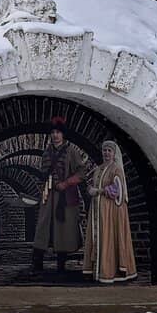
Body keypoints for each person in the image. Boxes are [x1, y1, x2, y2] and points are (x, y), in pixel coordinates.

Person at [32, 116, 84, 272]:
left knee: (63, 230)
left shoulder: (72, 152)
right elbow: (43, 172)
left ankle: (61, 265)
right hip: (49, 196)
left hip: (65, 197)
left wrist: (66, 183)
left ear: (63, 134)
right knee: (43, 227)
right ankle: (37, 263)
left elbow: (81, 173)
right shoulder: (46, 152)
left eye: (58, 132)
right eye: (53, 132)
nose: (55, 135)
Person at [83, 140, 138, 283]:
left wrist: (99, 191)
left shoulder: (116, 169)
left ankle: (109, 270)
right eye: (104, 150)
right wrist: (90, 190)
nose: (106, 153)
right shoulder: (99, 168)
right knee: (98, 237)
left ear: (114, 153)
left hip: (110, 210)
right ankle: (96, 269)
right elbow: (94, 185)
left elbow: (117, 190)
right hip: (97, 209)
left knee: (108, 236)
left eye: (109, 151)